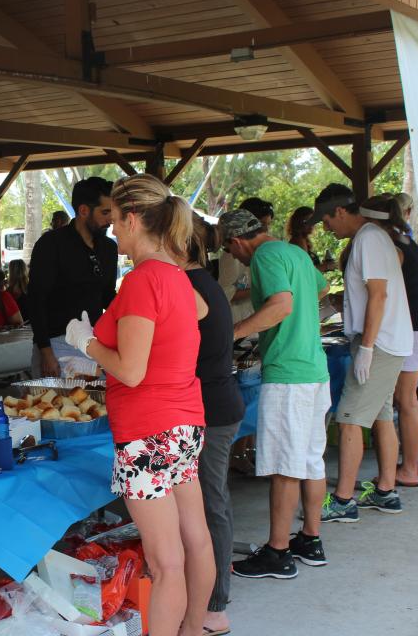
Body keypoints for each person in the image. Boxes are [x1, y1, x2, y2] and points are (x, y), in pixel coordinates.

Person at [64, 173, 213, 636]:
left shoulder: (142, 279)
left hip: (147, 432)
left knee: (165, 563)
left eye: (113, 219)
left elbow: (130, 370)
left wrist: (86, 343)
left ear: (132, 219)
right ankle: (192, 629)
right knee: (196, 541)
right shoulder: (173, 275)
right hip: (184, 423)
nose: (111, 230)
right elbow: (201, 312)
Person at [219, 208, 332, 581]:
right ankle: (310, 541)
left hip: (288, 374)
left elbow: (281, 305)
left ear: (237, 241)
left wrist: (233, 333)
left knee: (285, 467)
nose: (235, 258)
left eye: (231, 251)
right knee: (310, 460)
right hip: (314, 369)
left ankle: (278, 552)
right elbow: (321, 287)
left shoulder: (264, 256)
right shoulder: (293, 252)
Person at [314, 184, 413, 521]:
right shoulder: (372, 237)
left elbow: (378, 296)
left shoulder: (368, 238)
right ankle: (385, 490)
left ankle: (342, 500)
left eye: (327, 221)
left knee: (349, 419)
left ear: (340, 212)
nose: (327, 228)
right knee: (382, 416)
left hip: (381, 342)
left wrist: (367, 347)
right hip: (387, 340)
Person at [182, 214, 244, 634]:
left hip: (213, 410)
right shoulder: (202, 281)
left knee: (211, 503)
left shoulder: (192, 286)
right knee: (207, 503)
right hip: (212, 406)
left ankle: (216, 606)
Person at [363, 196, 418, 485]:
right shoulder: (405, 240)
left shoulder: (393, 247)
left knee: (404, 400)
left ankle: (408, 469)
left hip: (417, 328)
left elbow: (382, 292)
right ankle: (413, 464)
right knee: (410, 400)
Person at [29, 176, 117, 377]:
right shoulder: (51, 245)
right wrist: (46, 351)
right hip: (57, 343)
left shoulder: (108, 248)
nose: (110, 219)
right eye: (105, 212)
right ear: (84, 211)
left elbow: (107, 296)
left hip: (96, 343)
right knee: (64, 407)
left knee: (99, 407)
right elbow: (36, 300)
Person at [218, 197, 273, 324]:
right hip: (239, 321)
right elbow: (225, 294)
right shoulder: (231, 255)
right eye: (261, 224)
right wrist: (263, 288)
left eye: (267, 225)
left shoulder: (265, 253)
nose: (265, 231)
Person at [287, 206, 336, 273]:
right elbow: (305, 271)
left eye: (313, 221)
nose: (312, 224)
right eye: (307, 221)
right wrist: (325, 266)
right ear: (298, 222)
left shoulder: (303, 240)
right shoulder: (298, 241)